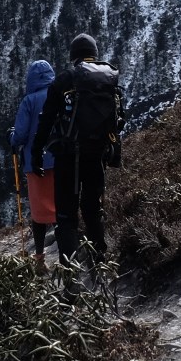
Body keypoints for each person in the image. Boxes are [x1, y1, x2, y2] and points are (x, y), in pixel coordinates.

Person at [34, 33, 124, 263]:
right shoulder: (108, 78)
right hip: (98, 154)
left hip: (68, 156)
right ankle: (100, 267)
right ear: (94, 53)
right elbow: (118, 119)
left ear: (73, 55)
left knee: (66, 217)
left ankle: (71, 281)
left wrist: (36, 153)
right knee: (93, 210)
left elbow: (46, 120)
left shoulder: (65, 80)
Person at [8, 59, 57, 261]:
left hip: (36, 164)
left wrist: (10, 137)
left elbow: (19, 136)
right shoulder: (59, 95)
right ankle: (68, 254)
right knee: (61, 206)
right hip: (61, 159)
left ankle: (39, 257)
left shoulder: (29, 101)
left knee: (39, 213)